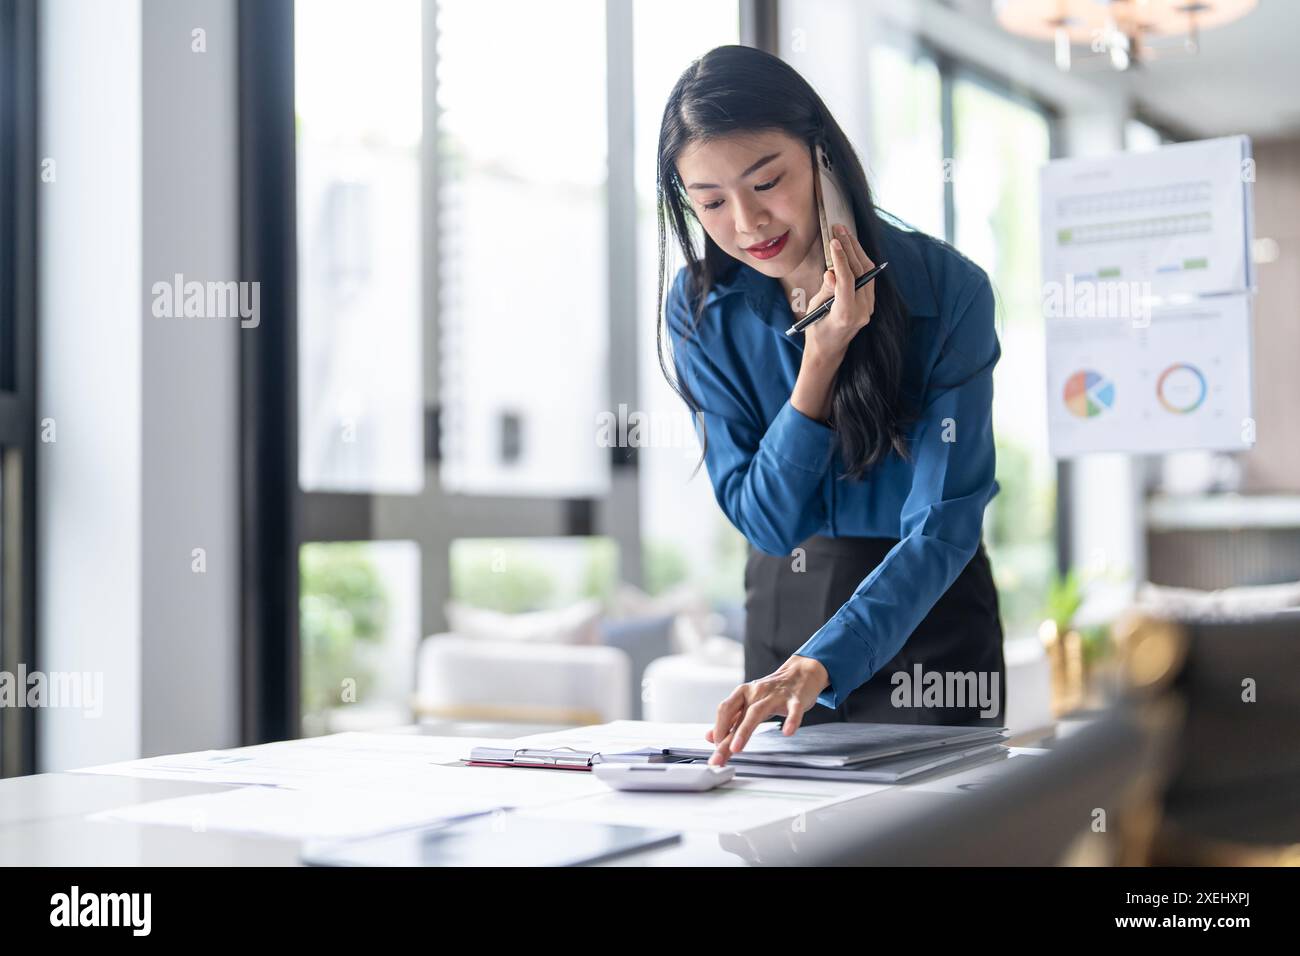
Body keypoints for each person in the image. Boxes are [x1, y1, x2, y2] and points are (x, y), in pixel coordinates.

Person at [655, 46, 1006, 767]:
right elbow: (768, 522)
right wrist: (821, 358)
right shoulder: (700, 313)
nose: (748, 222)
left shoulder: (950, 291)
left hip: (929, 613)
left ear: (820, 153)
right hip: (785, 609)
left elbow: (943, 526)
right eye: (711, 201)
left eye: (767, 181)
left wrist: (831, 658)